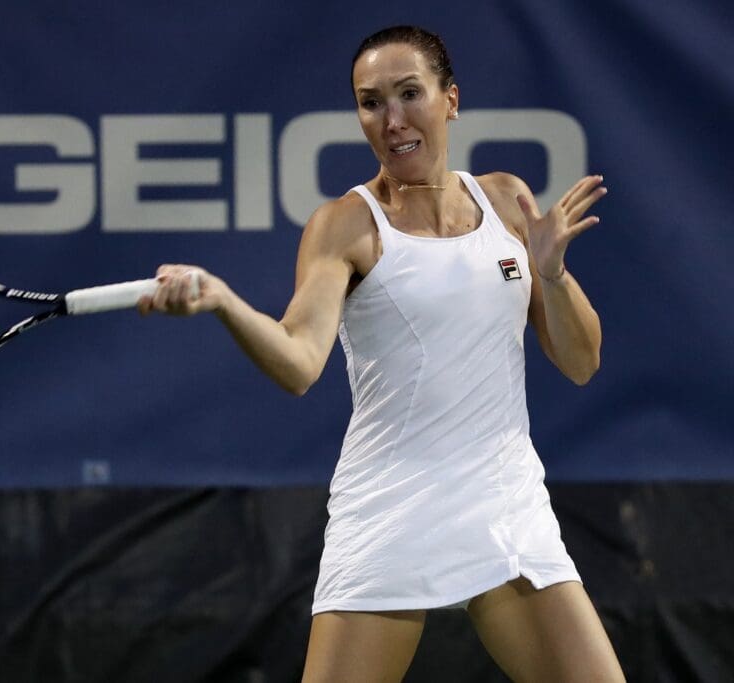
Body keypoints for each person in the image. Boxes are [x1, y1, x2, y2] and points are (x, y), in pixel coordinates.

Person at [139, 25, 625, 682]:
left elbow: (582, 361)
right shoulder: (346, 224)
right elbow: (299, 361)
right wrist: (225, 301)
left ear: (450, 99)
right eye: (371, 102)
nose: (392, 120)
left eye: (409, 94)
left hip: (506, 503)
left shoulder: (508, 201)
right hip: (391, 509)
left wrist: (553, 275)